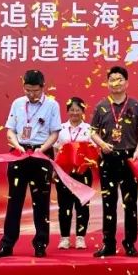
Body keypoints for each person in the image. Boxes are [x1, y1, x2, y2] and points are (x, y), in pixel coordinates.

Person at [0, 70, 62, 258]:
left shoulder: (52, 105)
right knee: (14, 200)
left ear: (43, 87)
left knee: (41, 202)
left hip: (41, 153)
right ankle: (7, 244)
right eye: (27, 90)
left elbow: (55, 132)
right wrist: (17, 146)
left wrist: (42, 149)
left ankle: (40, 243)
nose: (31, 94)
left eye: (35, 91)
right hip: (19, 153)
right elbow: (10, 130)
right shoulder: (17, 103)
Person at [89, 65, 138, 258]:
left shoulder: (136, 106)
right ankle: (108, 243)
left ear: (126, 82)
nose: (116, 83)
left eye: (119, 79)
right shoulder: (101, 106)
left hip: (129, 157)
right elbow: (92, 132)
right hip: (108, 158)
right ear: (107, 83)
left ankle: (130, 243)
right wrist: (101, 144)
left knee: (130, 202)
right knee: (108, 202)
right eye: (112, 80)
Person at [55, 97, 94, 250]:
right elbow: (56, 149)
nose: (75, 113)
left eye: (78, 110)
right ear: (67, 111)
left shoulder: (89, 129)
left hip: (83, 172)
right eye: (72, 110)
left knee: (82, 205)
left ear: (83, 111)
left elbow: (93, 149)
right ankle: (64, 238)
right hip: (64, 172)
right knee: (64, 205)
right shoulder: (60, 128)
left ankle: (80, 238)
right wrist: (55, 169)